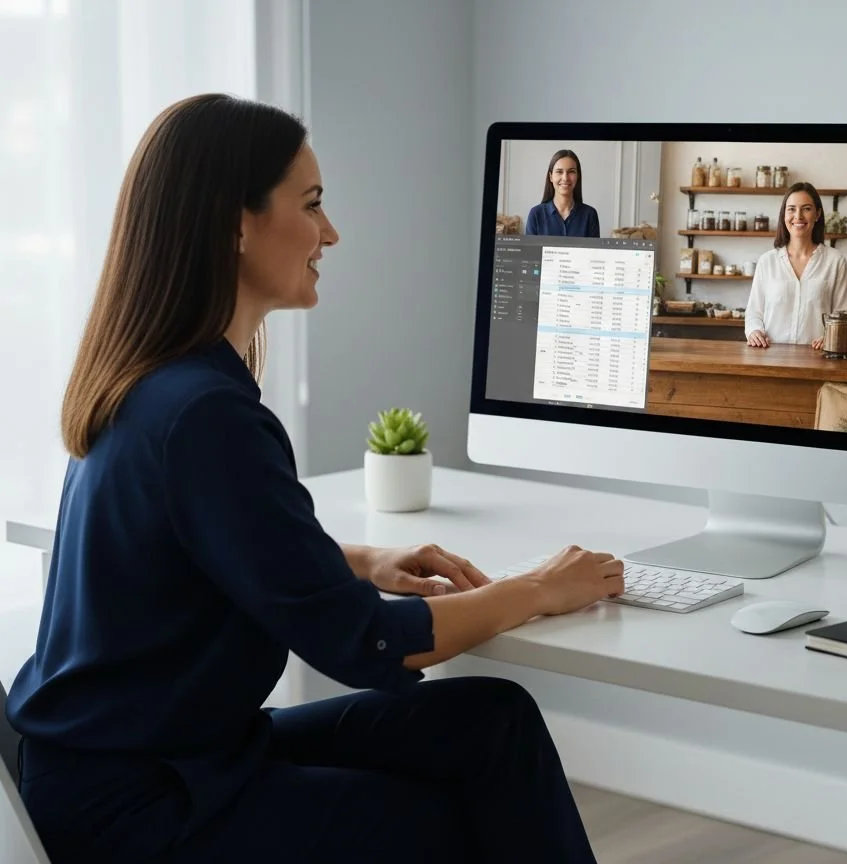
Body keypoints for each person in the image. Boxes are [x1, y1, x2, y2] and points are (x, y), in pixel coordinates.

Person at [3, 93, 623, 863]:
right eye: (313, 204)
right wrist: (536, 588)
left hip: (158, 763)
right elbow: (371, 643)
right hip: (140, 807)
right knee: (439, 823)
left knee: (490, 723)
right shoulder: (202, 413)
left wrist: (360, 561)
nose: (331, 232)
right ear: (236, 222)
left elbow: (216, 555)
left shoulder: (164, 383)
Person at [744, 181, 847, 349]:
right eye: (791, 209)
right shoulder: (767, 261)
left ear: (817, 214)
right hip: (770, 358)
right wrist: (754, 331)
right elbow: (754, 312)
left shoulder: (835, 261)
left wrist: (831, 336)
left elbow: (842, 314)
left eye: (806, 209)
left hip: (818, 360)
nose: (798, 216)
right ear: (784, 215)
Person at [524, 149, 601, 237]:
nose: (565, 178)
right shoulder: (536, 214)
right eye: (559, 172)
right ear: (551, 177)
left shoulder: (590, 215)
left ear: (578, 176)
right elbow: (531, 251)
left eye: (571, 171)